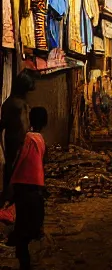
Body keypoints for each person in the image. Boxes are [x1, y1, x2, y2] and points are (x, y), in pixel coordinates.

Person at [3, 107, 47, 270]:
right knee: (32, 226)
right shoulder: (41, 140)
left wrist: (11, 184)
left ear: (30, 119)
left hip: (23, 187)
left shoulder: (28, 138)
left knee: (22, 227)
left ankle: (24, 263)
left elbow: (19, 161)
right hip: (36, 188)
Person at [0, 72, 34, 193]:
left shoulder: (12, 103)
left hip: (16, 141)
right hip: (17, 142)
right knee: (16, 172)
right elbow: (22, 126)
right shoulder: (16, 104)